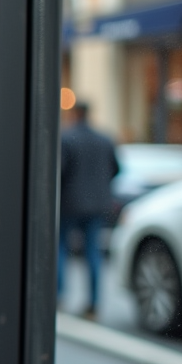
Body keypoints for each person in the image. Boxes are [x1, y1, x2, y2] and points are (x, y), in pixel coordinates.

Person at [58, 101, 119, 320]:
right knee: (93, 252)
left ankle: (59, 296)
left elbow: (60, 171)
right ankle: (93, 304)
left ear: (74, 114)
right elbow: (116, 169)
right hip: (98, 205)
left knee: (61, 248)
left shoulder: (66, 138)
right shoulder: (105, 139)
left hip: (70, 204)